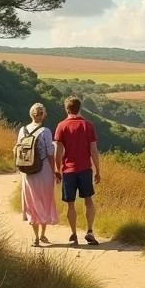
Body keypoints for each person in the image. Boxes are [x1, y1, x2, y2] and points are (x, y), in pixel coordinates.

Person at [53, 96, 101, 246]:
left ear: (66, 109)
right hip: (85, 168)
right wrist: (98, 170)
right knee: (88, 200)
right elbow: (94, 150)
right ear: (80, 108)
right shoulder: (88, 125)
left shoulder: (61, 126)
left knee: (70, 204)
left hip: (68, 170)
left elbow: (58, 151)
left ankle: (74, 234)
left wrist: (57, 169)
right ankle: (90, 231)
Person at [18, 103, 58, 246]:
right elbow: (50, 153)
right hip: (44, 170)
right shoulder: (45, 131)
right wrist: (55, 171)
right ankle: (42, 235)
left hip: (27, 171)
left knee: (32, 202)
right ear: (43, 115)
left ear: (31, 114)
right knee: (45, 200)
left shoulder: (22, 130)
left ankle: (35, 236)